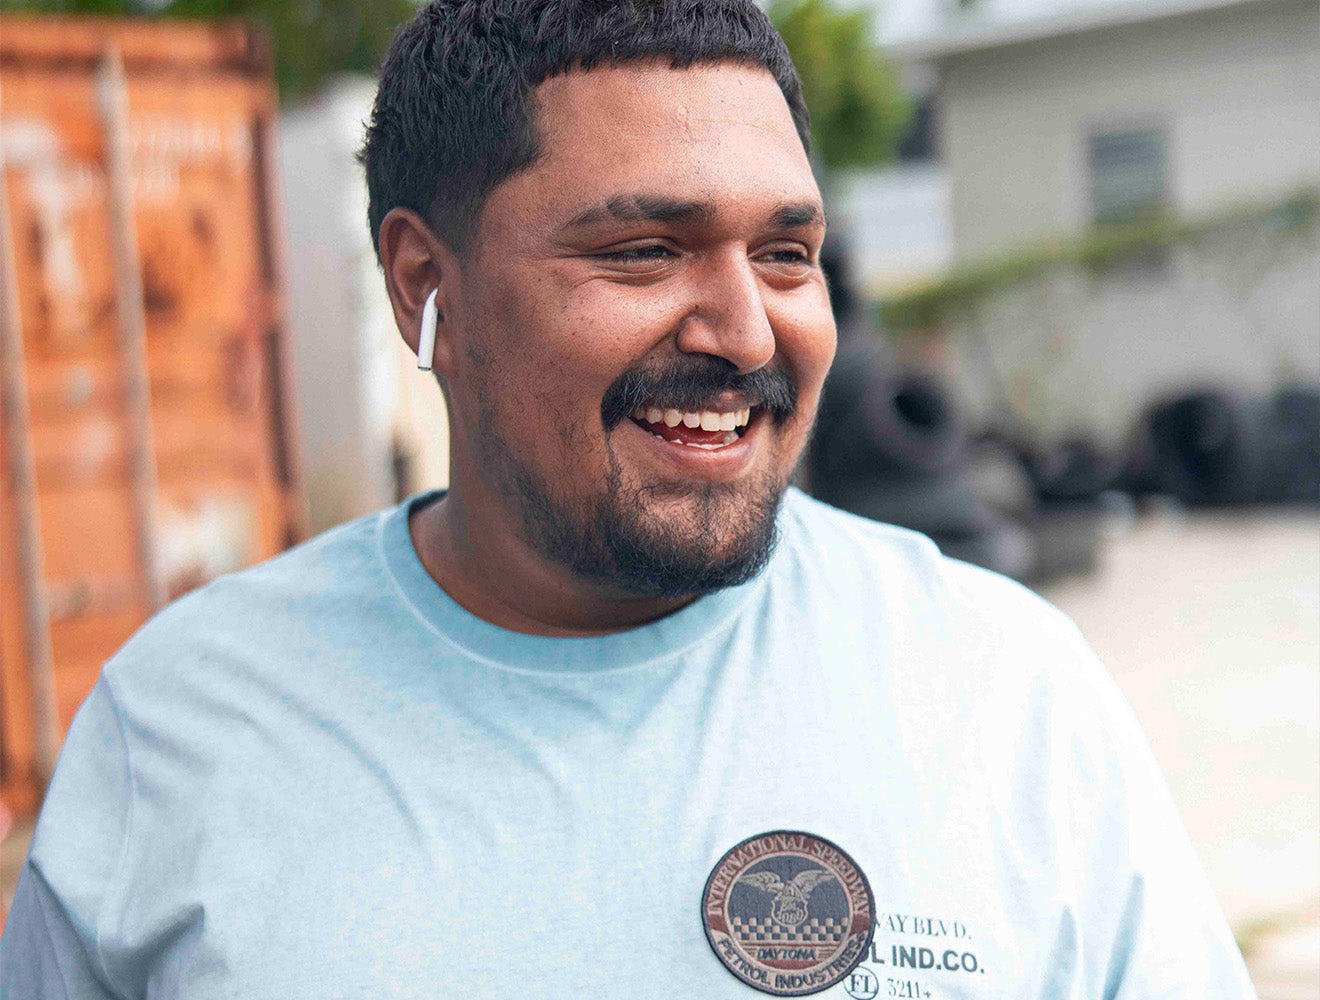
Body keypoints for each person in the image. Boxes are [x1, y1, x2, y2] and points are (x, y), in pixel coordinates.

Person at [0, 1, 1256, 997]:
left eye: (786, 254)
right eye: (644, 252)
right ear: (425, 284)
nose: (746, 332)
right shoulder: (182, 732)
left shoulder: (1006, 692)